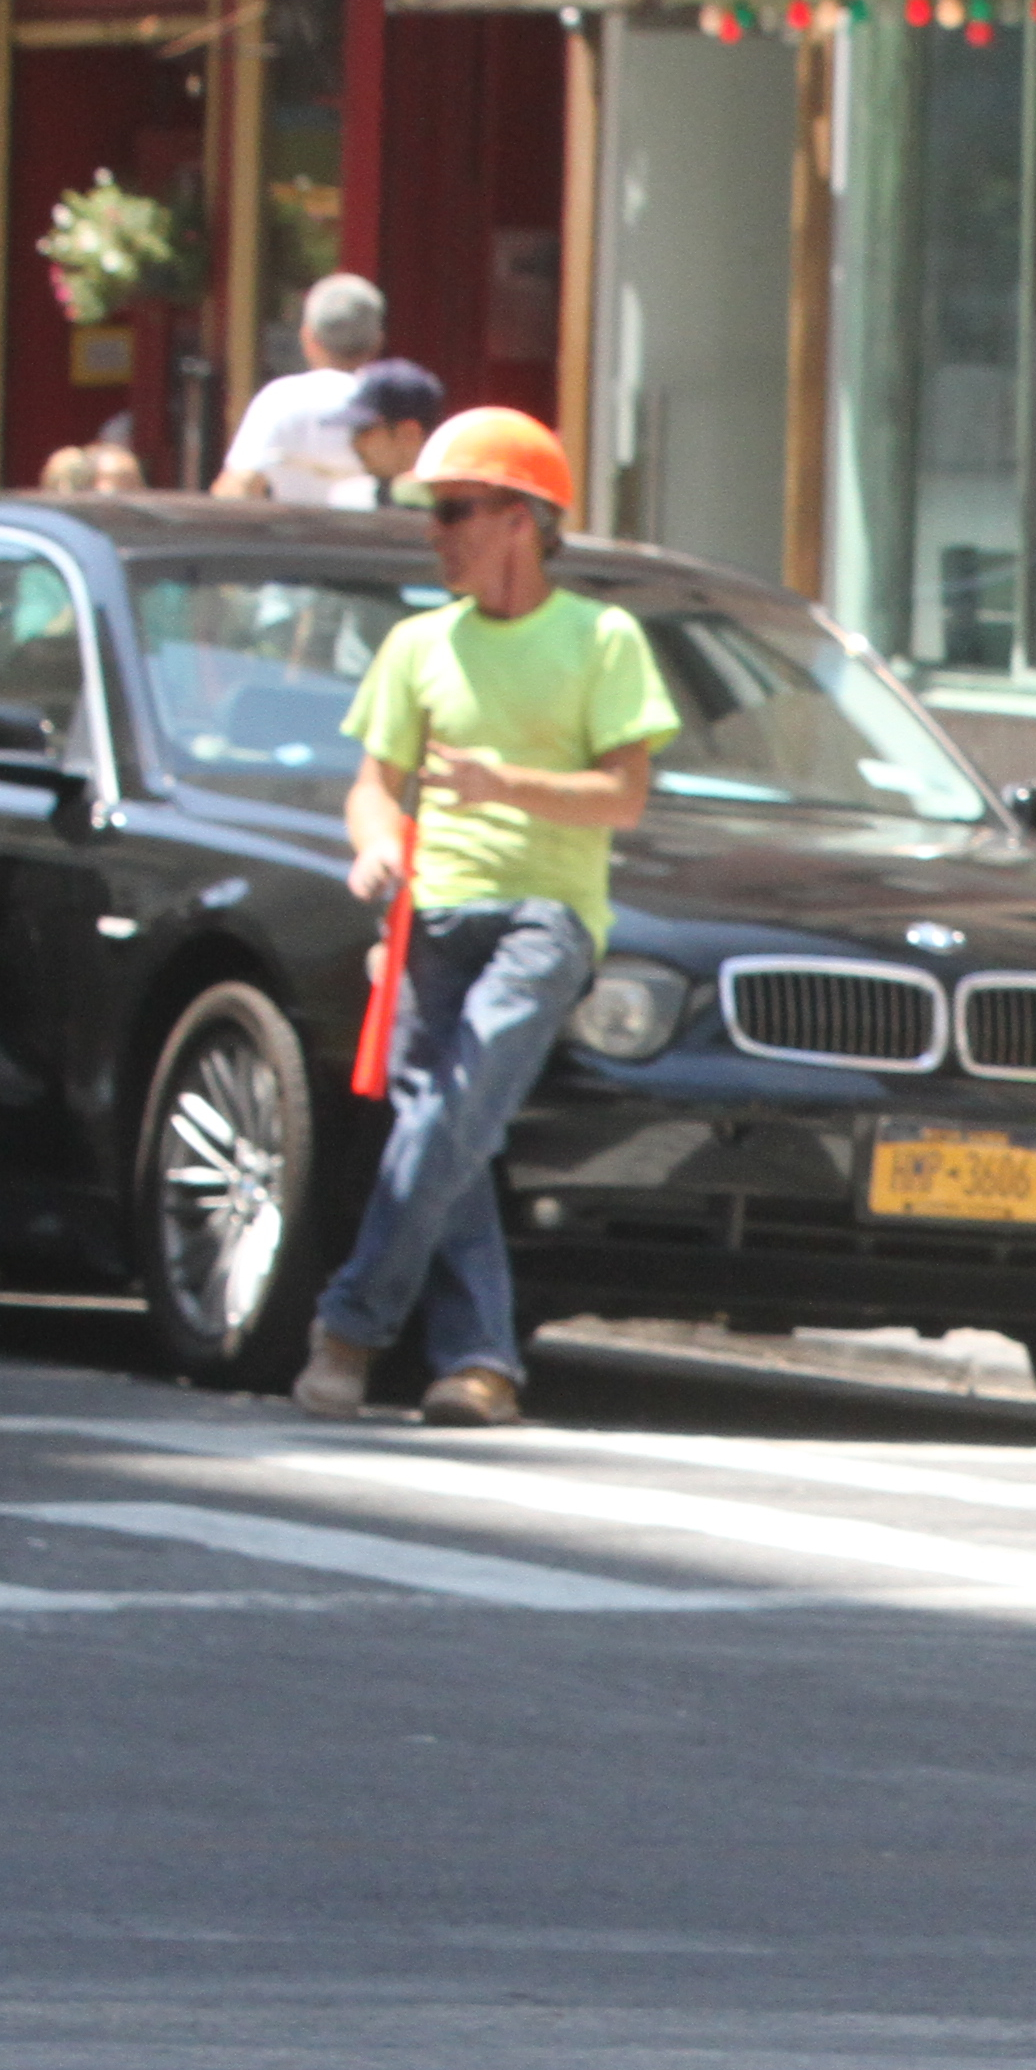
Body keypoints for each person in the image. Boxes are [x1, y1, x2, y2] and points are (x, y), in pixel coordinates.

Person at [291, 410, 677, 1429]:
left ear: (523, 519)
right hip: (435, 911)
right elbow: (373, 788)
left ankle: (349, 1328)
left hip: (546, 915)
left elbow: (625, 797)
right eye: (433, 511)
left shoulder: (603, 639)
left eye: (456, 510)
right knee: (445, 1127)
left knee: (450, 1111)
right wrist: (375, 841)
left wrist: (500, 782)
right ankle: (478, 1364)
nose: (436, 531)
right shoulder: (418, 644)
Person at [213, 276, 392, 501]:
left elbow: (237, 488)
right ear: (378, 342)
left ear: (308, 337)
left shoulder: (280, 398)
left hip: (292, 535)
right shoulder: (388, 403)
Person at [339, 359, 446, 506]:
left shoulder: (457, 507)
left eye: (364, 431)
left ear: (408, 433)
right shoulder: (353, 500)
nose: (355, 445)